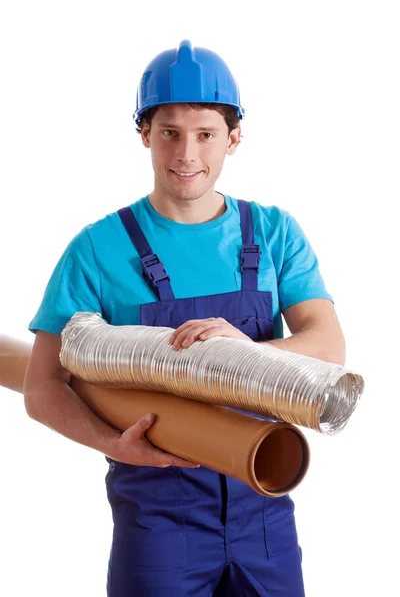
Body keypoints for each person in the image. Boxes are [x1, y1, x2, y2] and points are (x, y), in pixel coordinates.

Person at [23, 39, 346, 596]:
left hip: (264, 505)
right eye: (169, 132)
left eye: (205, 134)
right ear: (144, 134)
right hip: (157, 517)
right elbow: (42, 386)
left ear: (234, 138)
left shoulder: (272, 234)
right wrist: (111, 444)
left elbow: (328, 345)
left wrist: (239, 354)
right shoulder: (97, 249)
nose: (187, 154)